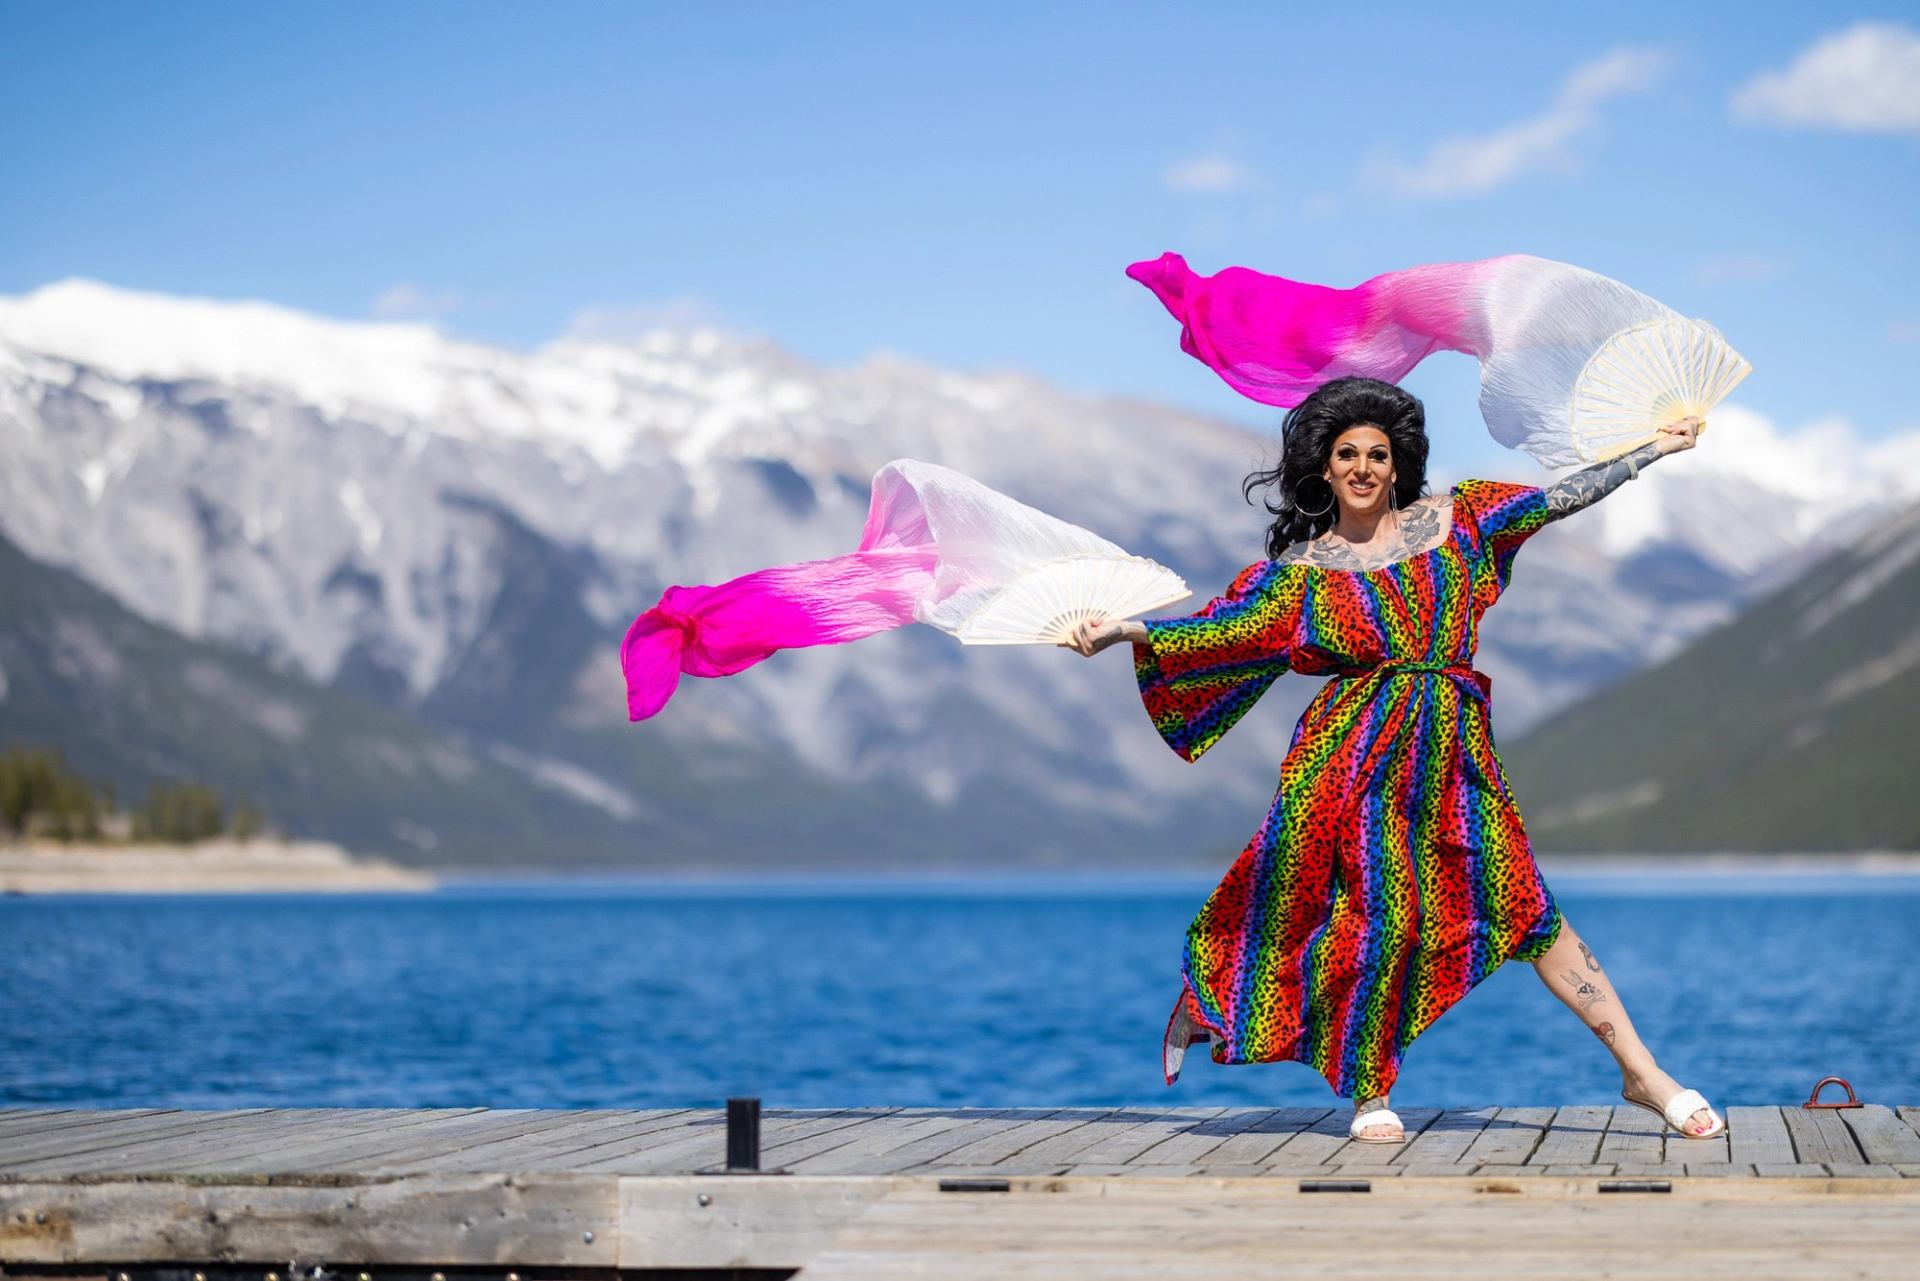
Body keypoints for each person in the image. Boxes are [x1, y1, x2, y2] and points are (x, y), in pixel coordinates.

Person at [1062, 375, 1724, 1144]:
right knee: (1382, 922)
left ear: (1399, 461)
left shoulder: (1462, 521)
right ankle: (1368, 1089)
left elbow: (1558, 497)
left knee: (1532, 912)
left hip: (1457, 758)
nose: (1365, 466)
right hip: (1352, 765)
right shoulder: (1302, 575)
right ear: (1325, 467)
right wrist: (1122, 632)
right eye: (1349, 453)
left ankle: (1643, 1075)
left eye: (1379, 452)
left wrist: (1654, 449)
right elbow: (1220, 629)